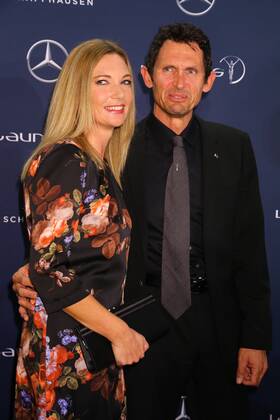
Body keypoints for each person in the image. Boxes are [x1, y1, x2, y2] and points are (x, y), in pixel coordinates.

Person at [13, 23, 272, 420]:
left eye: (192, 71)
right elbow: (66, 238)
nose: (179, 83)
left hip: (216, 322)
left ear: (210, 81)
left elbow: (250, 249)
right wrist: (35, 270)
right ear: (149, 77)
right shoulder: (116, 147)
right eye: (168, 69)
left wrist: (255, 337)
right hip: (136, 321)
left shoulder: (234, 147)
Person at [13, 38, 149, 420]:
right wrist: (120, 333)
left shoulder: (100, 164)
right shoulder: (68, 159)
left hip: (93, 345)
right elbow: (49, 267)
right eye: (102, 81)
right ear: (77, 88)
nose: (118, 92)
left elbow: (63, 255)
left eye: (124, 81)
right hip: (68, 352)